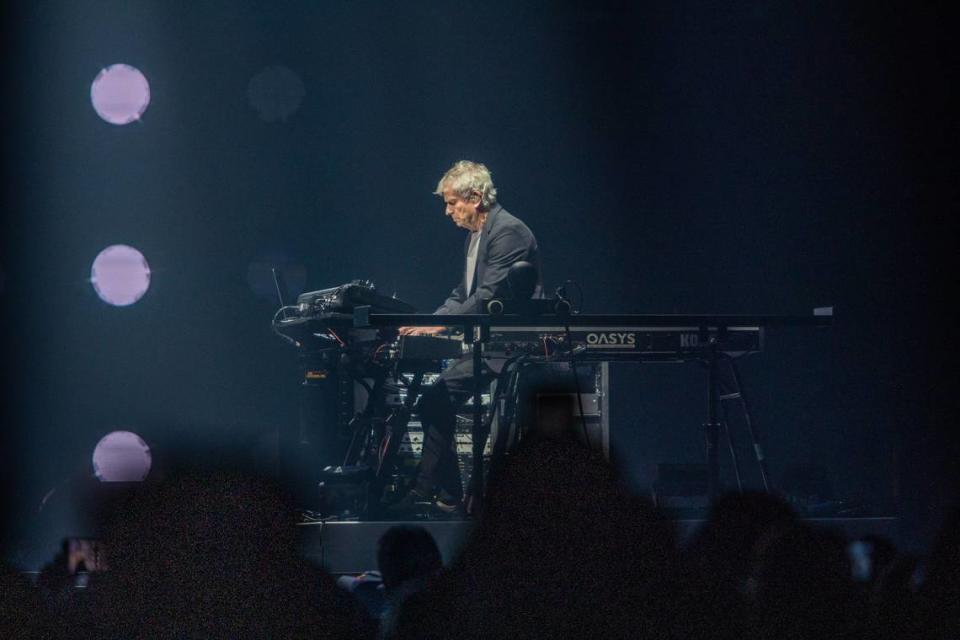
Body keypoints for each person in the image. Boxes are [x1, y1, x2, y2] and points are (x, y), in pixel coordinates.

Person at [392, 160, 540, 513]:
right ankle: (447, 494)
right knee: (434, 401)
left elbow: (488, 296)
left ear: (475, 197)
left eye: (451, 202)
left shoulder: (509, 231)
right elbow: (462, 294)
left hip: (508, 346)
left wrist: (439, 327)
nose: (447, 212)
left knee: (435, 400)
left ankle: (434, 492)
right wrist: (429, 323)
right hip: (486, 345)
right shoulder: (475, 238)